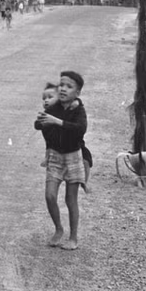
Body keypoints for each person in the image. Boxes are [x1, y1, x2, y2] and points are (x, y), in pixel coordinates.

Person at [34, 70, 89, 250]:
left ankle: (73, 238)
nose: (64, 89)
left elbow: (80, 129)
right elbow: (38, 124)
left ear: (77, 92)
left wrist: (55, 121)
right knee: (50, 195)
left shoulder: (78, 109)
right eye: (62, 85)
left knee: (70, 199)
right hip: (55, 156)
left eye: (69, 86)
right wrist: (44, 119)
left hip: (73, 157)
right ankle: (58, 229)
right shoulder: (53, 107)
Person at [37, 79, 93, 189]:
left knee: (86, 159)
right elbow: (37, 125)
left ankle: (85, 182)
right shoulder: (47, 114)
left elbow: (76, 103)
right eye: (44, 98)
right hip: (55, 149)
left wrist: (78, 102)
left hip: (75, 146)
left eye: (50, 97)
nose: (46, 101)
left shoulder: (65, 109)